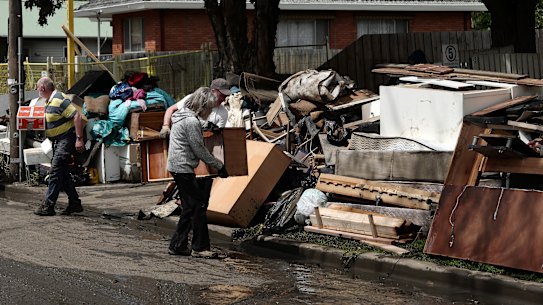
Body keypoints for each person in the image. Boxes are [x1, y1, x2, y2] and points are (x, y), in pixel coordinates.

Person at [167, 87, 229, 258]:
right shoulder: (191, 122)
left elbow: (196, 124)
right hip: (183, 167)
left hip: (177, 166)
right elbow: (199, 149)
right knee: (199, 204)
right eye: (209, 108)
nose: (210, 111)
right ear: (202, 106)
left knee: (190, 207)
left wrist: (209, 126)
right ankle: (200, 248)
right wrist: (219, 165)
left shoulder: (183, 115)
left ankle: (177, 245)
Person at [34, 77, 85, 216]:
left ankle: (48, 206)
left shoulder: (59, 98)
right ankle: (75, 203)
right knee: (63, 173)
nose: (37, 90)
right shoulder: (49, 101)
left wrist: (79, 139)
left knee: (55, 172)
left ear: (42, 88)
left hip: (66, 140)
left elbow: (77, 116)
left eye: (37, 88)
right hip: (58, 141)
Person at [159, 78, 231, 138]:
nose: (224, 99)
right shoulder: (194, 99)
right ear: (213, 91)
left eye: (225, 96)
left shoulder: (223, 112)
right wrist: (165, 126)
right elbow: (171, 109)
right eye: (222, 95)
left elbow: (215, 137)